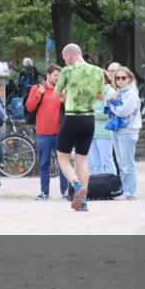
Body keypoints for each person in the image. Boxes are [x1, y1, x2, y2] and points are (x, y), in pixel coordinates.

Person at [54, 44, 104, 212]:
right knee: (82, 160)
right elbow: (100, 96)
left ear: (69, 56)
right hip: (89, 119)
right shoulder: (97, 71)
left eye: (64, 59)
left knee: (62, 157)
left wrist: (67, 93)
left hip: (72, 117)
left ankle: (75, 185)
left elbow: (55, 94)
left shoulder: (67, 71)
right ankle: (83, 202)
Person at [26, 65, 66, 200]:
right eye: (55, 75)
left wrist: (65, 99)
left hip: (60, 132)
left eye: (60, 76)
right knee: (43, 163)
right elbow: (29, 107)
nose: (58, 78)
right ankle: (44, 192)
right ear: (48, 75)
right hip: (43, 133)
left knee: (63, 163)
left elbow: (70, 108)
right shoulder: (36, 88)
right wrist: (39, 93)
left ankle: (65, 192)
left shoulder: (62, 90)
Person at [108, 66, 142, 199]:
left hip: (128, 131)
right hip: (118, 130)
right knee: (121, 163)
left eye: (123, 78)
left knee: (127, 163)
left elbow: (122, 111)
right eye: (118, 78)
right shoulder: (120, 92)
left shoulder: (131, 93)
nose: (120, 80)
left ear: (130, 78)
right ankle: (124, 189)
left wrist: (112, 102)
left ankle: (129, 191)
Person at [89, 64, 118, 176]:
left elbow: (106, 114)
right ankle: (98, 187)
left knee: (107, 162)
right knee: (95, 163)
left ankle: (113, 186)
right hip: (92, 132)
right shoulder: (93, 93)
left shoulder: (110, 92)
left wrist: (91, 112)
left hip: (104, 133)